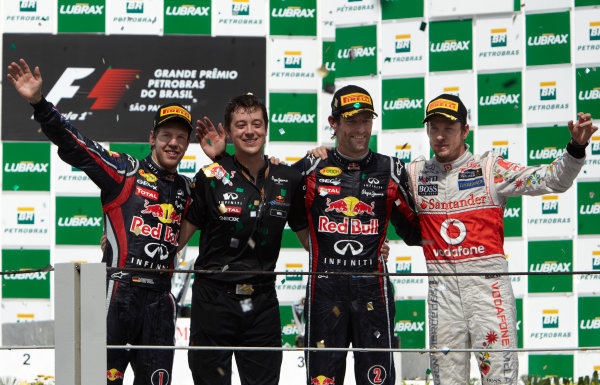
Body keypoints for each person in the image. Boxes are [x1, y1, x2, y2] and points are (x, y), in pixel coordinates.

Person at [8, 58, 197, 385]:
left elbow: (231, 203)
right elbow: (78, 146)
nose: (174, 143)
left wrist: (223, 158)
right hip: (116, 295)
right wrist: (39, 104)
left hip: (160, 302)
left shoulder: (187, 189)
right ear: (152, 137)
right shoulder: (125, 171)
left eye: (181, 137)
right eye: (166, 134)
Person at [410, 94, 596, 384]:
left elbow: (552, 179)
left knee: (500, 379)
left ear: (465, 130)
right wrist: (322, 156)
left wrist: (576, 147)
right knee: (445, 381)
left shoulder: (489, 169)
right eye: (433, 127)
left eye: (448, 128)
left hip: (488, 294)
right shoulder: (415, 174)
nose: (440, 135)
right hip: (443, 295)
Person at [177, 93, 309, 385]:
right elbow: (177, 239)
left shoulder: (288, 179)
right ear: (229, 131)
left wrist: (371, 246)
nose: (250, 131)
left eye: (257, 124)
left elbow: (311, 242)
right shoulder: (209, 177)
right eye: (241, 125)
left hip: (261, 302)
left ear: (266, 128)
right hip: (213, 300)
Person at [295, 85, 421, 385]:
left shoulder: (391, 169)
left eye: (366, 120)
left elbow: (416, 231)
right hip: (324, 290)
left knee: (377, 379)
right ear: (334, 122)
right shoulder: (311, 166)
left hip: (372, 290)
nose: (360, 128)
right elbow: (276, 203)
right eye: (351, 120)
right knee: (322, 381)